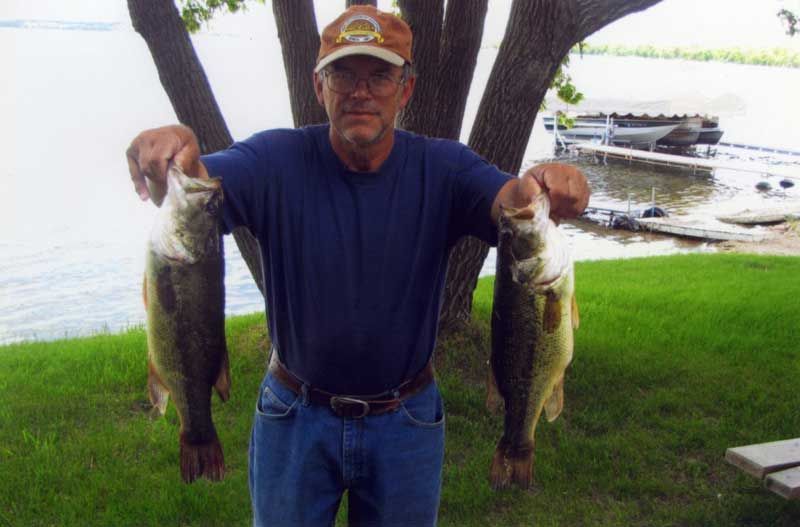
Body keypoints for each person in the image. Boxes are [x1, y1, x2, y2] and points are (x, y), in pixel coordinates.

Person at [126, 5, 589, 526]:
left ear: (406, 89)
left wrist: (545, 184)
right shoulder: (274, 160)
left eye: (380, 75)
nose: (360, 91)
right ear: (319, 86)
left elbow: (511, 200)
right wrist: (176, 151)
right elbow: (199, 185)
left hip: (406, 420)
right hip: (293, 415)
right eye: (343, 73)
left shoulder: (444, 167)